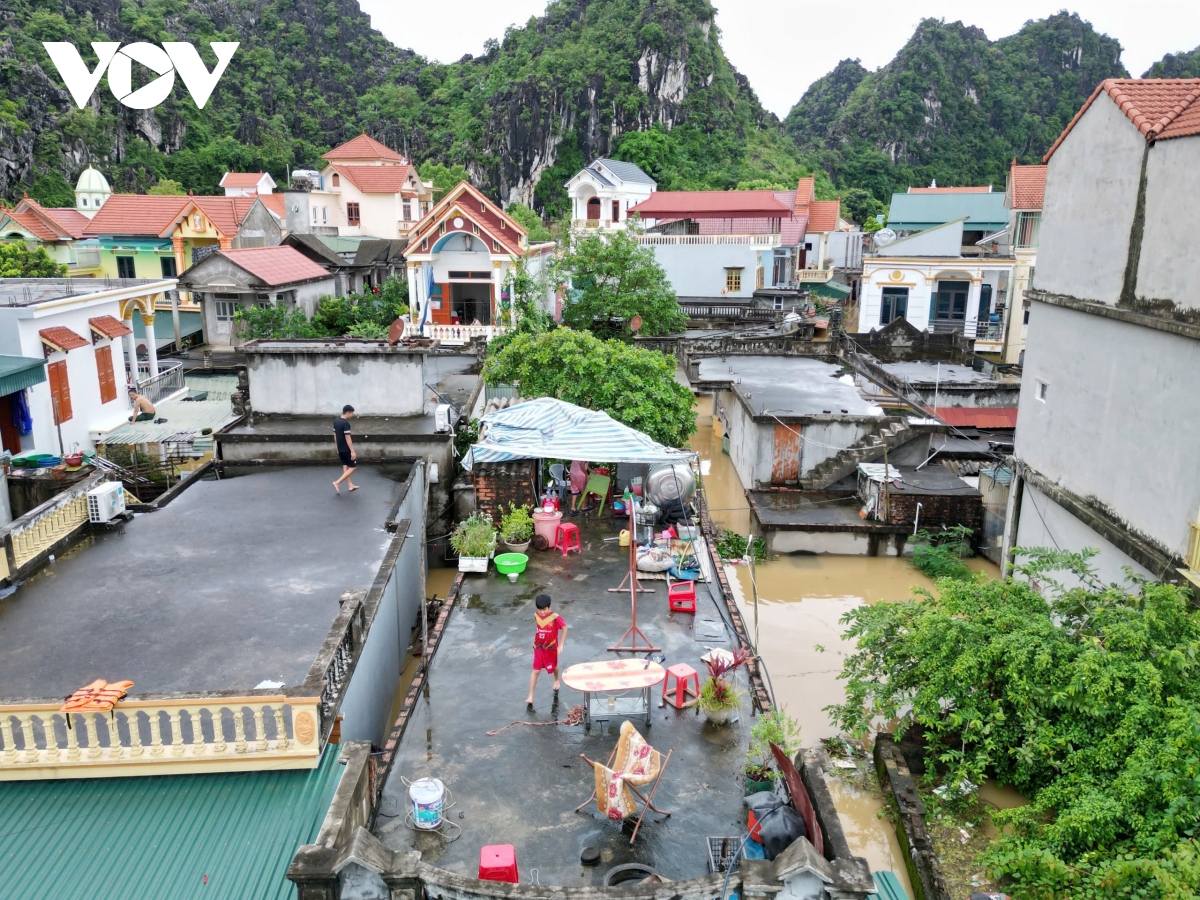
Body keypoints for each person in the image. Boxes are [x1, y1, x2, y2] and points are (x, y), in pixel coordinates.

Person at [526, 594, 567, 710]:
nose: (542, 612)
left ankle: (556, 679)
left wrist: (561, 644)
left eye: (544, 609)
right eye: (539, 609)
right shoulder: (536, 615)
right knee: (536, 671)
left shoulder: (555, 617)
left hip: (551, 648)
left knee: (554, 666)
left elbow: (564, 627)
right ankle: (531, 695)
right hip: (539, 647)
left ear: (549, 607)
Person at [332, 404, 359, 494]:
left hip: (340, 449)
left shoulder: (336, 421)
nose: (352, 415)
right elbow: (348, 438)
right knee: (353, 467)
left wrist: (337, 447)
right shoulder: (345, 423)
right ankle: (337, 482)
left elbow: (335, 435)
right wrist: (352, 451)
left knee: (345, 466)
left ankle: (350, 485)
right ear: (347, 412)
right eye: (351, 414)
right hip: (346, 449)